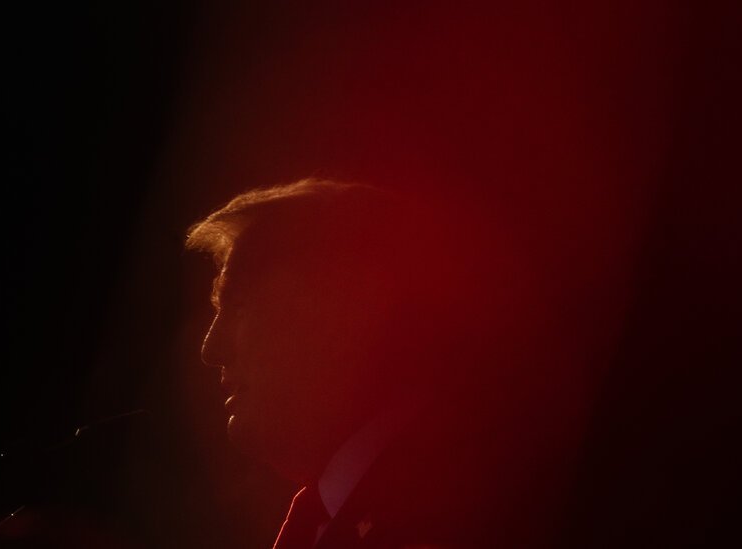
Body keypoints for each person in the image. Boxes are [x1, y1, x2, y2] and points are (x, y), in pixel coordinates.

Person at [185, 179, 567, 549]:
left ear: (346, 312)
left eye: (239, 307)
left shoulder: (452, 515)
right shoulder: (371, 506)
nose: (211, 349)